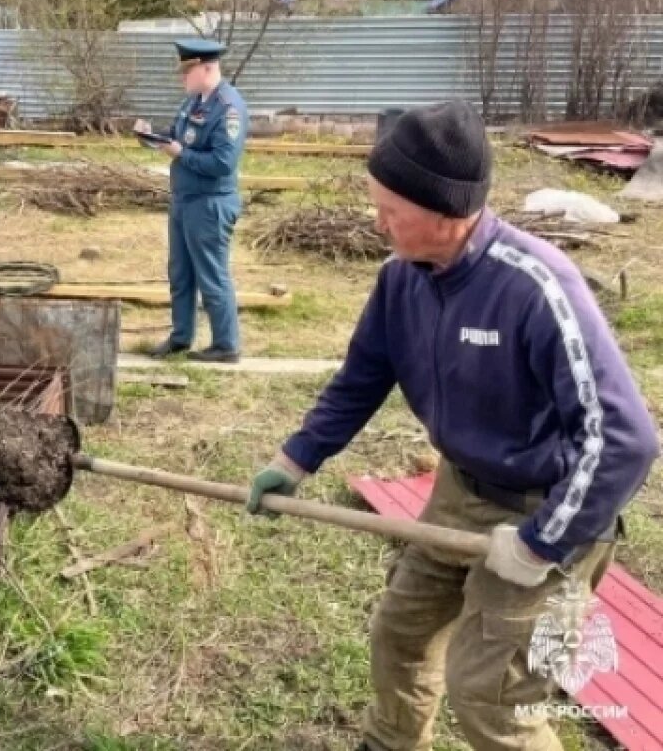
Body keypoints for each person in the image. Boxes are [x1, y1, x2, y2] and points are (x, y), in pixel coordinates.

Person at [248, 100, 658, 751]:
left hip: (548, 507)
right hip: (458, 491)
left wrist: (540, 543)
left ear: (448, 214)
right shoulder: (400, 280)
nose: (377, 220)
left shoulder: (536, 288)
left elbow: (627, 439)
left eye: (392, 208)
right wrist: (296, 458)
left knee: (491, 694)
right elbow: (359, 380)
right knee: (400, 634)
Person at [134, 39, 248, 364]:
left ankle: (226, 344)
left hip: (210, 204)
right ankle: (181, 336)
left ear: (207, 68)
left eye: (188, 71)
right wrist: (151, 137)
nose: (182, 78)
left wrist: (181, 154)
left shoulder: (228, 109)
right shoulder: (194, 102)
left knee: (211, 275)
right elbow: (177, 136)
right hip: (184, 200)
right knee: (180, 273)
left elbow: (222, 163)